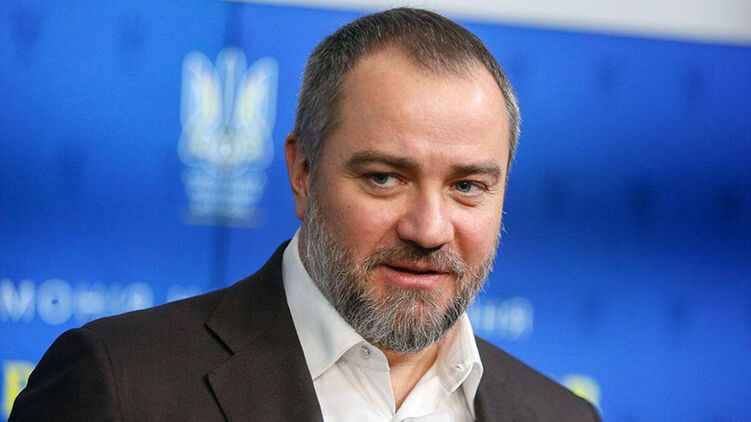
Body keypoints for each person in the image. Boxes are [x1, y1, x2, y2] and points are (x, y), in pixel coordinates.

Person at [10, 8, 600, 422]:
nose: (428, 229)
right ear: (302, 171)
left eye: (467, 186)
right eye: (384, 178)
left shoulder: (562, 416)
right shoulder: (118, 386)